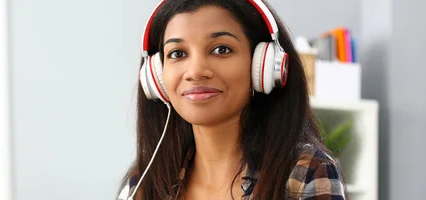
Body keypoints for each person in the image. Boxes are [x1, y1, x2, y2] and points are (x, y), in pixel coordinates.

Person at [117, 0, 348, 200]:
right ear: (156, 76)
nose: (196, 71)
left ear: (263, 66)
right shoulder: (143, 183)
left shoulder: (304, 172)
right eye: (178, 53)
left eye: (221, 50)